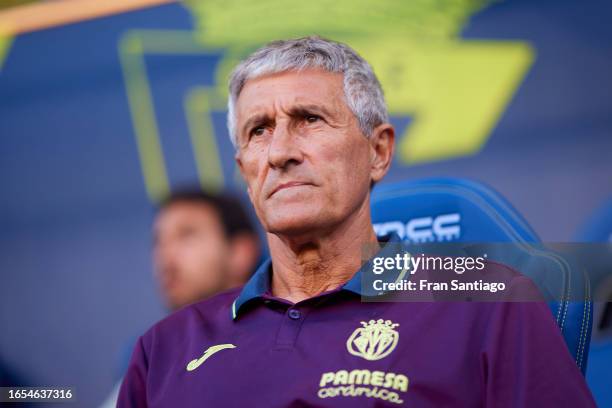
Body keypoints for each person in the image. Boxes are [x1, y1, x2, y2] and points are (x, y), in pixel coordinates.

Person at [118, 37, 595, 407]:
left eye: (309, 119)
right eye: (258, 130)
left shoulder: (487, 303)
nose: (280, 152)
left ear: (379, 151)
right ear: (245, 171)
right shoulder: (162, 350)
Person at [99, 188, 260, 408]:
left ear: (240, 251)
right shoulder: (150, 354)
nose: (166, 257)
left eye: (186, 235)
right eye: (158, 242)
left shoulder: (282, 336)